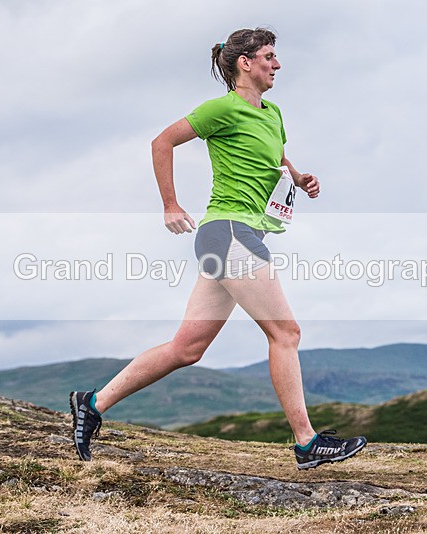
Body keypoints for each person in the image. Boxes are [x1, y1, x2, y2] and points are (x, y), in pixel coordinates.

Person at [70, 27, 366, 470]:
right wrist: (170, 203)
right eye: (269, 56)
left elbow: (276, 158)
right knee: (285, 333)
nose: (277, 64)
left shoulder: (272, 113)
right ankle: (306, 444)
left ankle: (92, 403)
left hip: (236, 237)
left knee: (187, 348)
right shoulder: (221, 109)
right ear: (245, 63)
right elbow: (162, 142)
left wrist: (300, 178)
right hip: (227, 233)